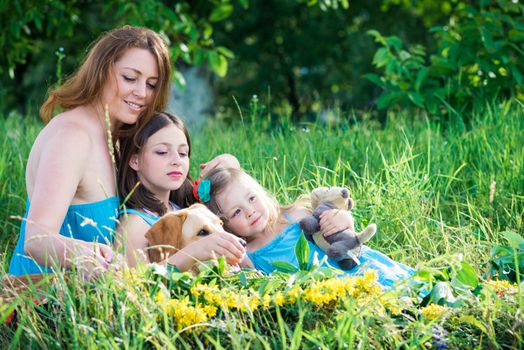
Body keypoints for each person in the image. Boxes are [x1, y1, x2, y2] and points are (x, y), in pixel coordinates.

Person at [8, 26, 172, 278]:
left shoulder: (119, 137)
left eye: (151, 84)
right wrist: (87, 253)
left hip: (94, 301)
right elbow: (36, 238)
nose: (141, 93)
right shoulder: (71, 137)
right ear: (101, 71)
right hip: (39, 302)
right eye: (129, 78)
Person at [199, 168, 415, 288]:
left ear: (261, 193)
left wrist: (342, 220)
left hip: (356, 267)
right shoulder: (249, 255)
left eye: (252, 198)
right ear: (224, 224)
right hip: (328, 292)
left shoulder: (295, 216)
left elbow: (341, 233)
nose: (250, 211)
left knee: (403, 287)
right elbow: (259, 287)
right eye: (236, 212)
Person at [116, 112, 246, 271]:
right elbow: (137, 284)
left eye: (183, 153)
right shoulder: (134, 225)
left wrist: (230, 162)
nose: (177, 161)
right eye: (162, 152)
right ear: (135, 160)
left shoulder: (185, 206)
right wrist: (197, 251)